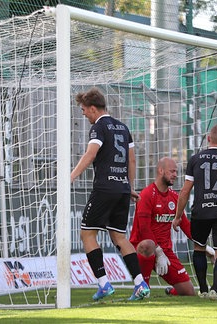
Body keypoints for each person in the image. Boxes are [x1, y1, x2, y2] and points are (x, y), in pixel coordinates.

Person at [71, 87, 150, 301]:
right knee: (119, 237)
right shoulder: (123, 128)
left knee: (87, 234)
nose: (84, 114)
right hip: (123, 188)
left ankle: (104, 283)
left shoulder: (99, 127)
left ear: (94, 109)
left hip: (105, 187)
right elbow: (131, 160)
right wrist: (130, 186)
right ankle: (140, 283)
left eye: (84, 110)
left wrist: (72, 176)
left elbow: (91, 153)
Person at [172, 125, 217, 301]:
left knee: (199, 248)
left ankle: (203, 289)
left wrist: (178, 216)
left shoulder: (195, 159)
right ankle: (215, 290)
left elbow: (185, 190)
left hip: (200, 211)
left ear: (209, 139)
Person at [129, 157, 196, 296]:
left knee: (189, 292)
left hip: (165, 251)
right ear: (161, 171)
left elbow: (185, 225)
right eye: (172, 171)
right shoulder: (146, 195)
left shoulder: (174, 197)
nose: (175, 175)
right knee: (147, 245)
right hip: (143, 249)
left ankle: (170, 292)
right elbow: (144, 229)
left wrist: (203, 245)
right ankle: (142, 288)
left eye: (176, 172)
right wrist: (158, 252)